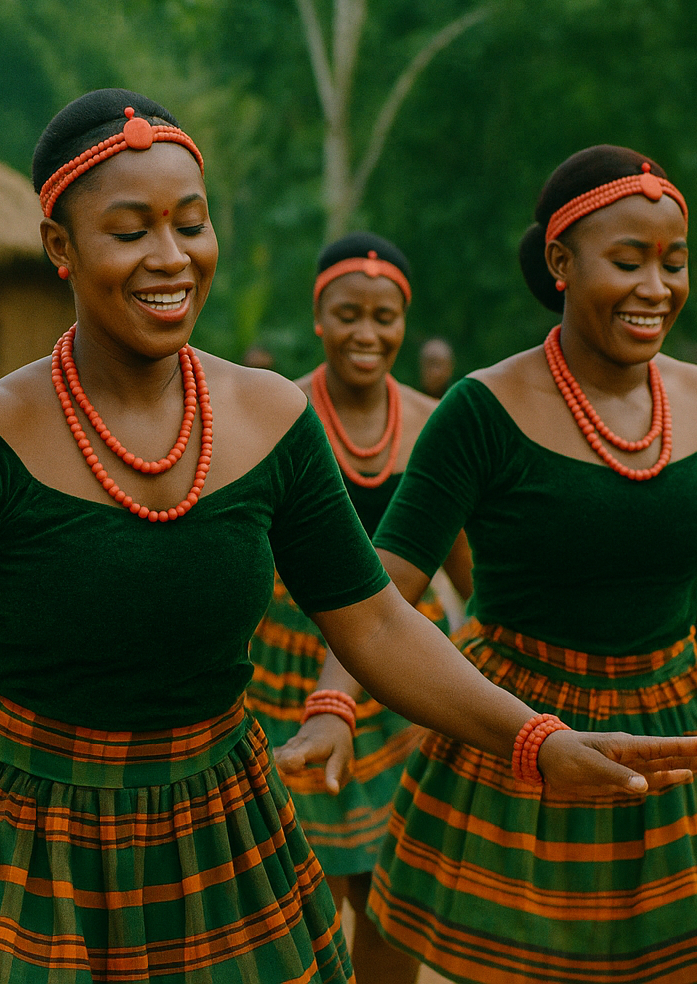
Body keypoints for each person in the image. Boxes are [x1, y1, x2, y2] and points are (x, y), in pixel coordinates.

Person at [0, 92, 697, 984]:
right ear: (59, 245)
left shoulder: (273, 419)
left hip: (215, 826)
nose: (171, 256)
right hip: (19, 834)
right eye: (130, 229)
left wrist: (533, 736)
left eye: (191, 222)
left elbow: (372, 619)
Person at [279, 145, 697, 984]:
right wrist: (334, 705)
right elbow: (382, 590)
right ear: (560, 262)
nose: (656, 287)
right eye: (628, 261)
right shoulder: (482, 410)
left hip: (670, 741)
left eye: (674, 262)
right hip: (518, 738)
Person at [246, 231, 471, 984]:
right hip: (282, 664)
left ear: (404, 321)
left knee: (392, 884)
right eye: (348, 314)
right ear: (318, 317)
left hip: (404, 671)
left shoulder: (436, 421)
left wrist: (495, 675)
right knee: (284, 881)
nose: (366, 334)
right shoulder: (277, 413)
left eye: (384, 316)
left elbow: (469, 570)